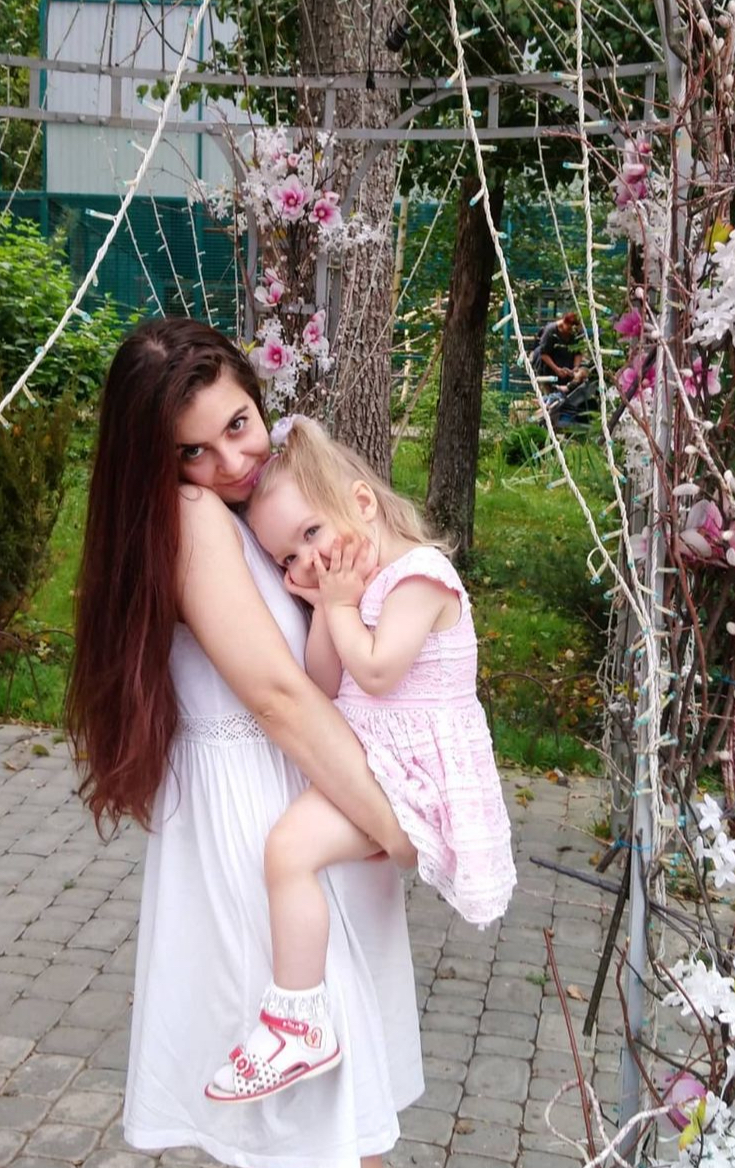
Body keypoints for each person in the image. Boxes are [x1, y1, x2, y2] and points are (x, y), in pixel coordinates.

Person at [65, 318, 424, 1168]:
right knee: (322, 1141)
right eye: (192, 450)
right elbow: (275, 697)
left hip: (297, 816)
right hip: (260, 831)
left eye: (238, 424)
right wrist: (397, 824)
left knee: (340, 1138)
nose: (231, 461)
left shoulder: (247, 510)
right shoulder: (191, 515)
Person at [205, 417, 516, 1104]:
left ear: (363, 503)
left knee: (287, 851)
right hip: (375, 765)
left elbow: (375, 671)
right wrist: (326, 608)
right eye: (287, 558)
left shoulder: (420, 577)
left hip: (415, 780)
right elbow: (323, 682)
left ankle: (297, 1023)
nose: (306, 563)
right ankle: (303, 1015)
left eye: (312, 534)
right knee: (289, 853)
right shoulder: (344, 592)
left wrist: (340, 605)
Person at [532, 311, 586, 387]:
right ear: (564, 323)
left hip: (567, 368)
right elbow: (543, 353)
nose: (570, 332)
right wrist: (556, 369)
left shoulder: (576, 332)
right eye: (569, 329)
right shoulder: (551, 331)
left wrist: (576, 367)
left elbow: (578, 352)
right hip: (548, 367)